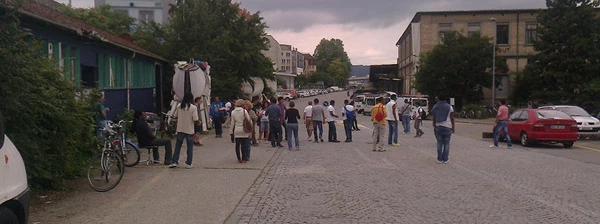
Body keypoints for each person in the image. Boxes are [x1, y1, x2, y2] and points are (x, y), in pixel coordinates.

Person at [170, 93, 199, 168]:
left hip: (180, 129)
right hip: (189, 129)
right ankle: (188, 163)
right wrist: (199, 123)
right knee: (189, 147)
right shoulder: (193, 108)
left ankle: (174, 161)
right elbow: (195, 119)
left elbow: (175, 116)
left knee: (178, 146)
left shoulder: (179, 106)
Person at [431, 95, 455, 164]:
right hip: (447, 126)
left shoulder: (435, 106)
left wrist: (434, 123)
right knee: (446, 143)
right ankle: (445, 159)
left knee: (439, 143)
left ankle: (439, 158)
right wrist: (453, 127)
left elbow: (434, 116)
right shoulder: (449, 107)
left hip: (438, 126)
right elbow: (452, 118)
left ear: (438, 99)